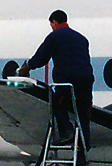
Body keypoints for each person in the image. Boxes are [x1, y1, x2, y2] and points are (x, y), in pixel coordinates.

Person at [17, 10, 94, 150]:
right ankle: (83, 151)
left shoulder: (55, 36)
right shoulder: (82, 38)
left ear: (54, 22)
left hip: (68, 78)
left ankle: (66, 131)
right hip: (87, 79)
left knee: (57, 103)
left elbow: (41, 56)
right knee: (83, 113)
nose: (51, 27)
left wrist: (27, 67)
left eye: (51, 24)